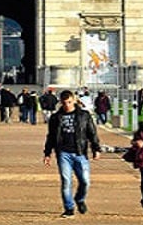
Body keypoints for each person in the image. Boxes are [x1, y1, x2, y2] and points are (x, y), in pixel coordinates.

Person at [42, 90, 100, 218]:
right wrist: (47, 153)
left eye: (69, 102)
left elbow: (92, 133)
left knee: (85, 181)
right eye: (64, 103)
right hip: (63, 153)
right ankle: (69, 208)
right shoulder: (56, 118)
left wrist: (96, 148)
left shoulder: (84, 115)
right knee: (66, 181)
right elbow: (51, 136)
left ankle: (79, 199)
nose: (67, 105)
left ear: (74, 100)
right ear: (61, 103)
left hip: (80, 152)